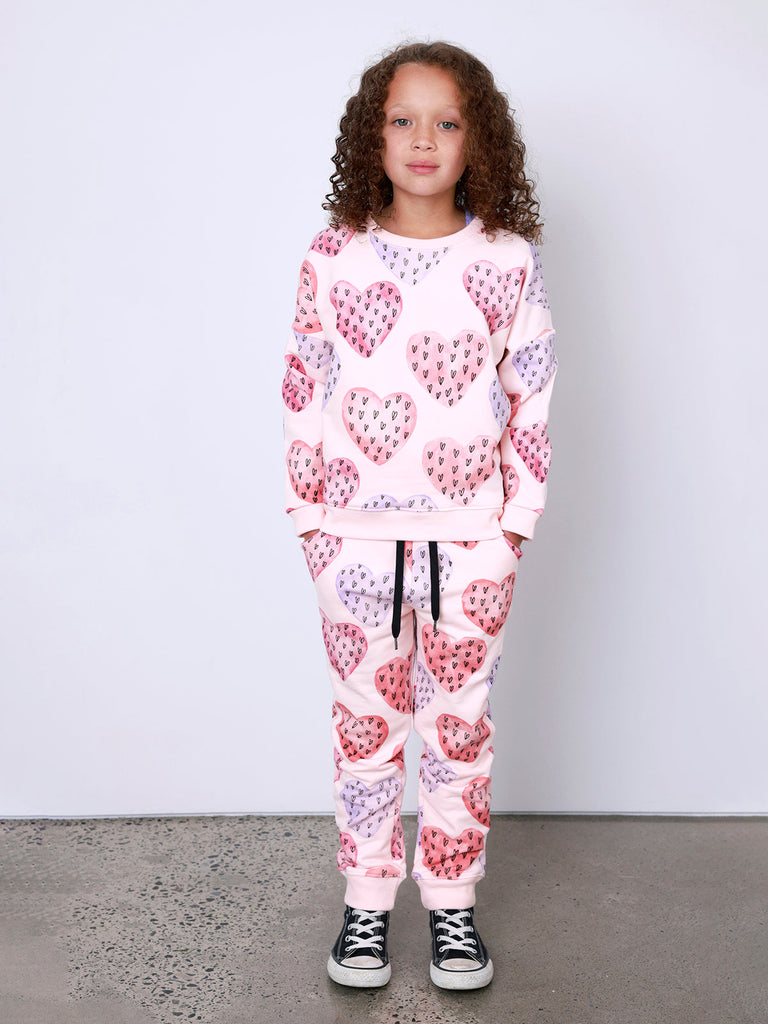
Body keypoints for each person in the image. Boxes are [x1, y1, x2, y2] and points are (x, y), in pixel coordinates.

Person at [282, 40, 556, 991]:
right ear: (374, 135)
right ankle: (365, 906)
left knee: (458, 733)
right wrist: (311, 521)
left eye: (447, 121)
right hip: (352, 541)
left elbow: (532, 392)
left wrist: (513, 526)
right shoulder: (334, 255)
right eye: (403, 120)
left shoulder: (506, 260)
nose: (424, 140)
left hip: (472, 542)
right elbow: (303, 385)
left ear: (479, 140)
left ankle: (452, 909)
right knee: (365, 725)